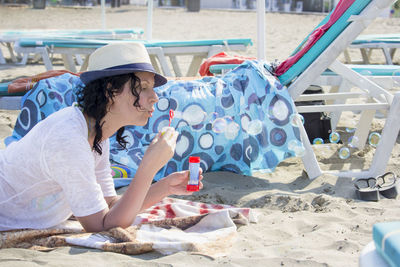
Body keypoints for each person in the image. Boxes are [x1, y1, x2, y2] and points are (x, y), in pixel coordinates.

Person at [0, 43, 203, 232]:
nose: (154, 97)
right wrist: (148, 167)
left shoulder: (95, 132)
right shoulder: (70, 140)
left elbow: (111, 206)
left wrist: (165, 186)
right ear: (111, 91)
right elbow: (102, 225)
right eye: (142, 87)